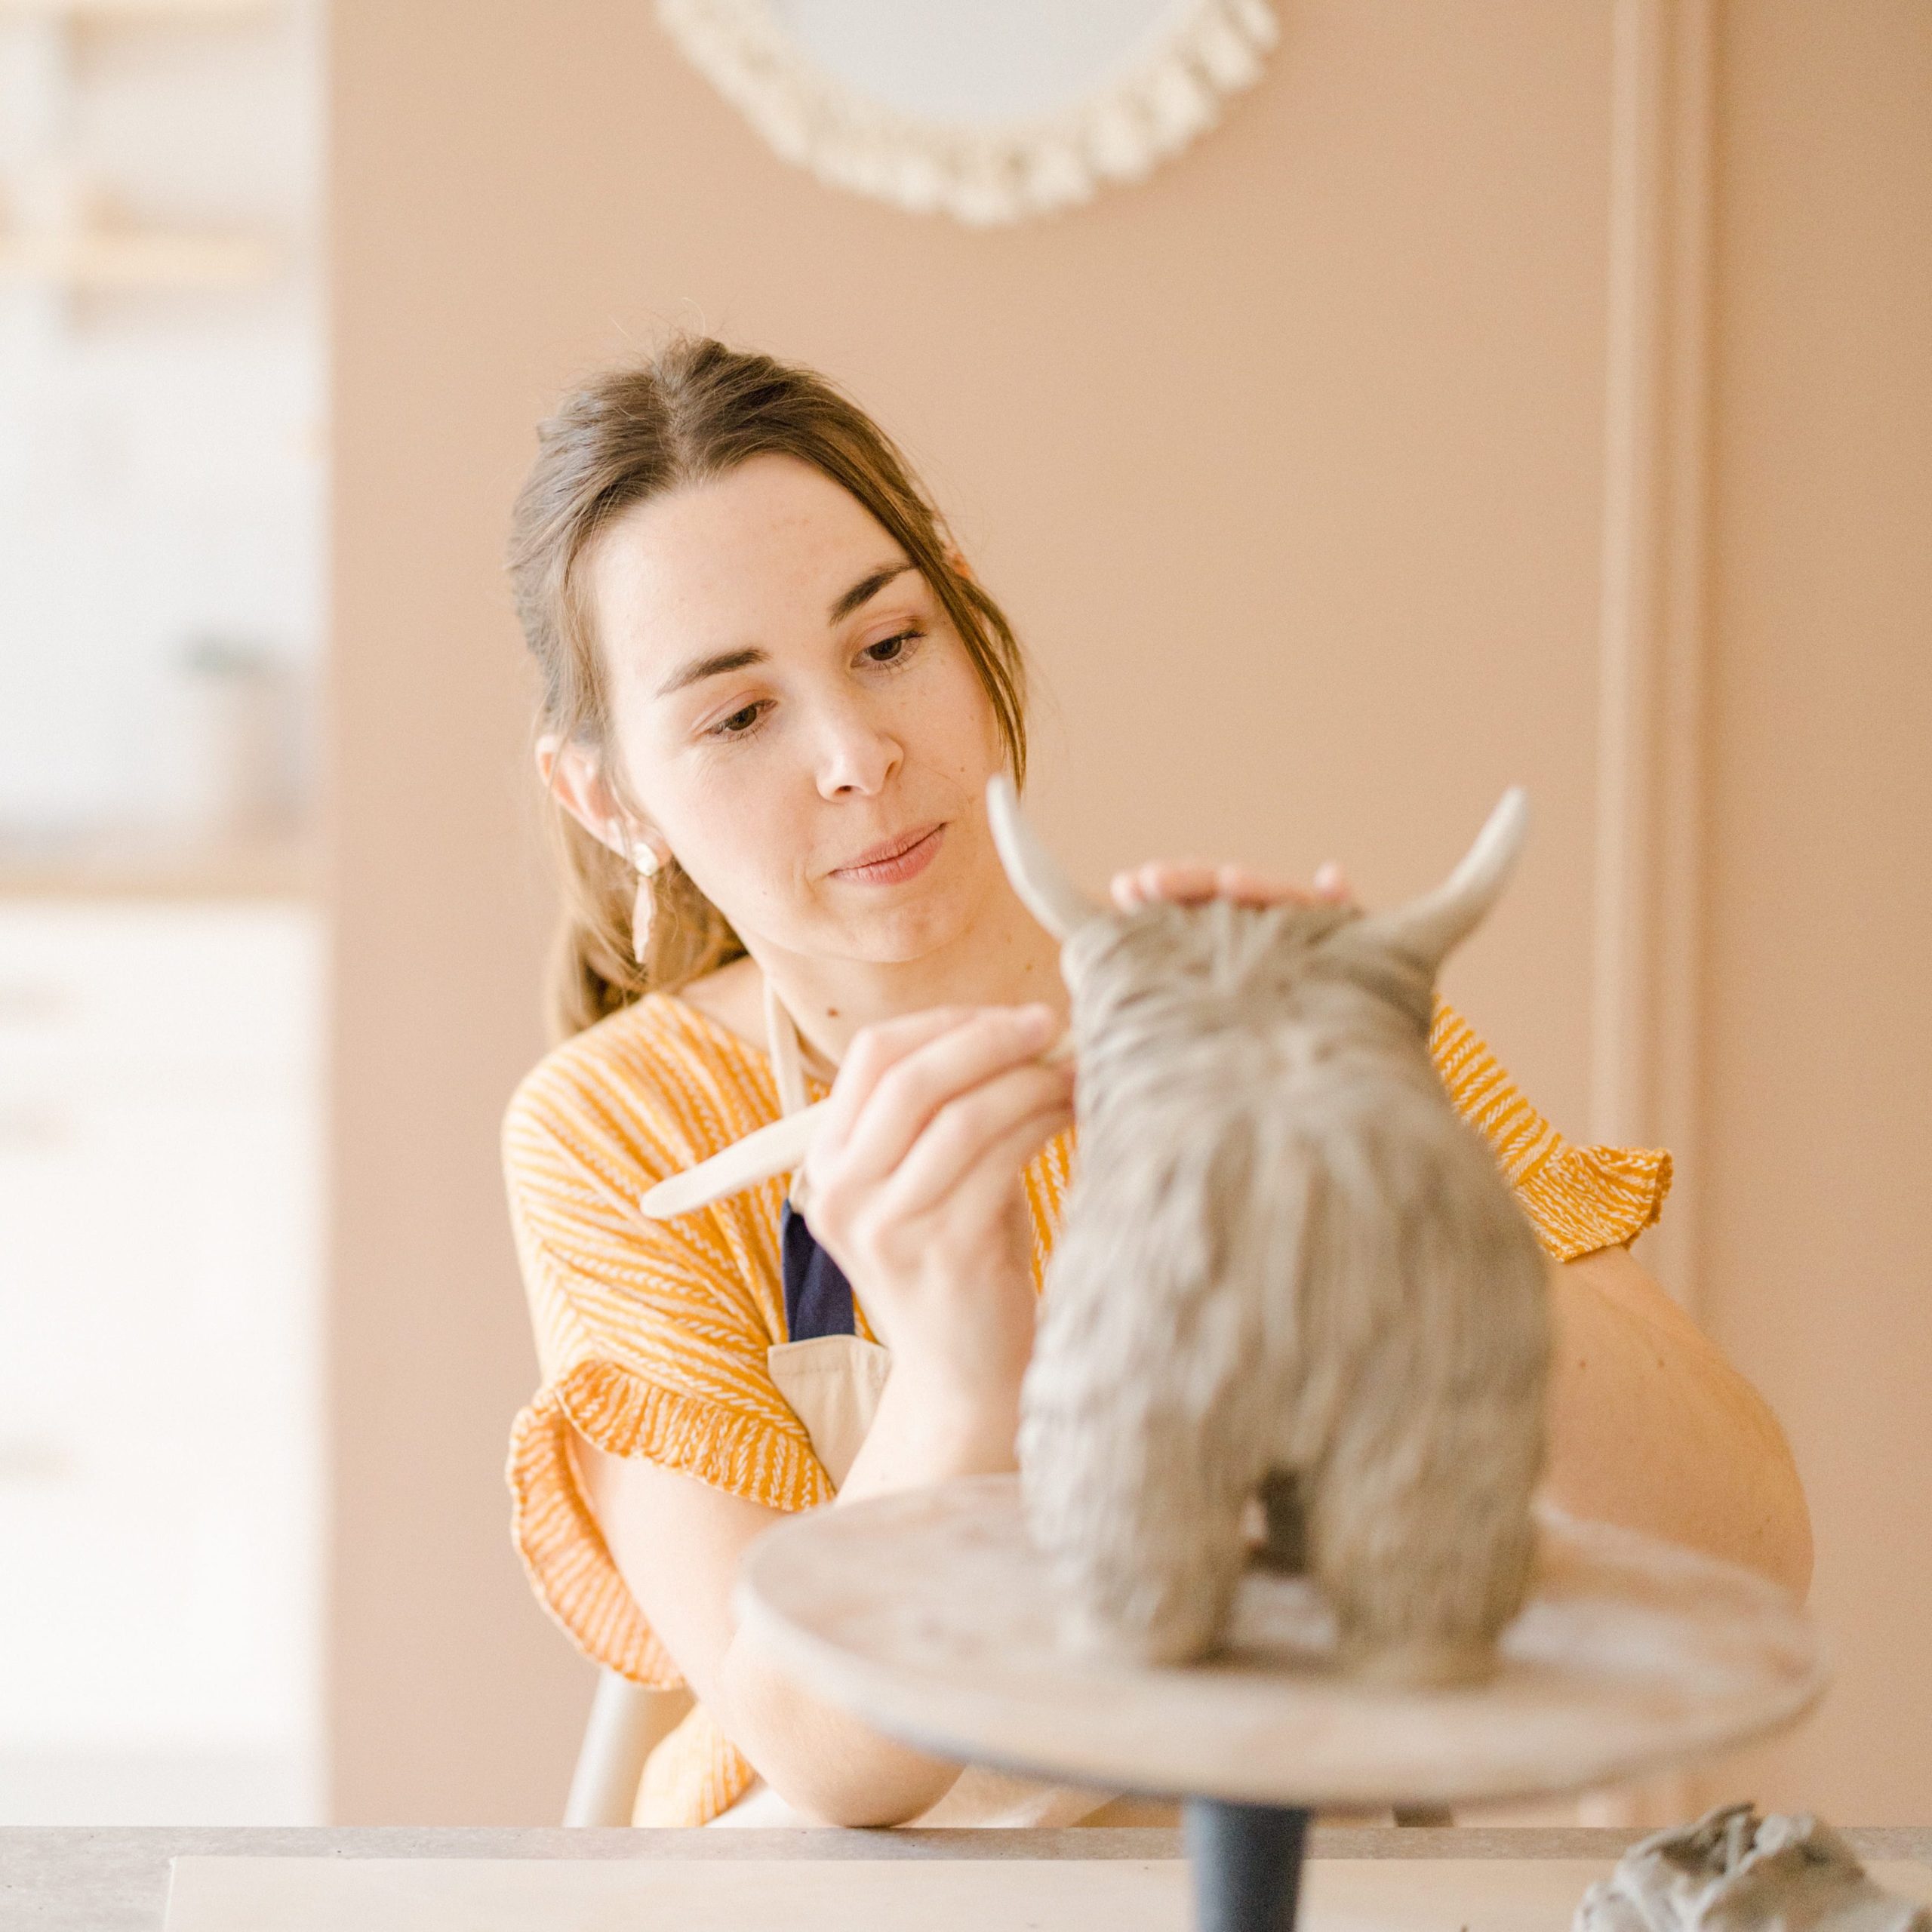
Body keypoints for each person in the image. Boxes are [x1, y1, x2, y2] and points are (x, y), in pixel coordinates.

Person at [501, 335, 1811, 1831]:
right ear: (606, 796)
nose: (857, 754)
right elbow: (822, 1753)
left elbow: (1745, 1544)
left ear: (959, 603)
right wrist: (951, 1375)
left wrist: (1387, 1183)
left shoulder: (1301, 1008)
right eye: (737, 716)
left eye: (887, 645)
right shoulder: (617, 1129)